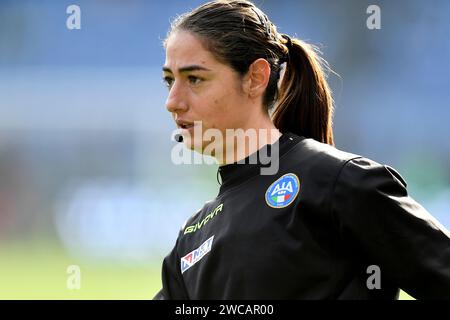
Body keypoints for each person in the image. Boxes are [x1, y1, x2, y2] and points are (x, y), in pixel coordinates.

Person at [154, 0, 450, 299]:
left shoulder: (338, 182)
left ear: (256, 78)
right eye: (169, 81)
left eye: (195, 79)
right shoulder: (191, 239)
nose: (173, 101)